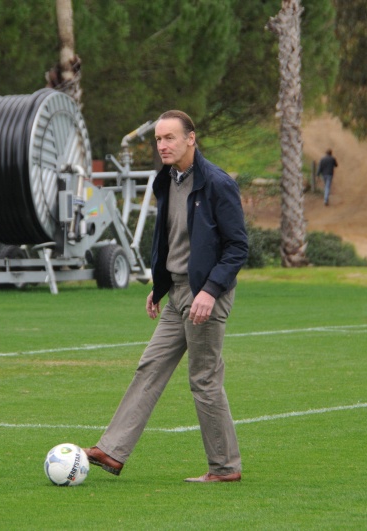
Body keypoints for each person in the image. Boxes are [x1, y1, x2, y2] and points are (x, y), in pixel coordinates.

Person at [84, 110, 248, 483]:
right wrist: (160, 288)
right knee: (150, 366)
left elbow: (238, 248)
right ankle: (112, 450)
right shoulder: (165, 181)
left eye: (170, 138)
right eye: (158, 139)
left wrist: (210, 290)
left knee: (204, 378)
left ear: (191, 138)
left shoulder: (217, 183)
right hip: (176, 293)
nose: (162, 145)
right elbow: (170, 239)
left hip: (206, 294)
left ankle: (224, 468)